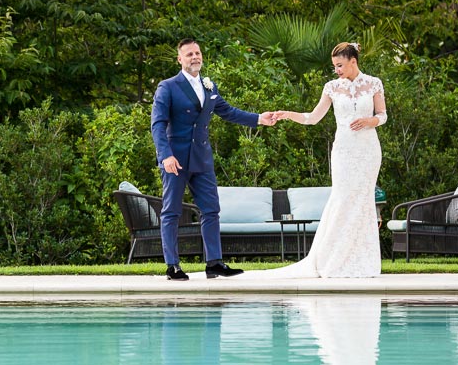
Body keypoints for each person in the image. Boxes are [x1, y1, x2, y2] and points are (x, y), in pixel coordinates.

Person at [251, 42, 387, 279]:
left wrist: (370, 122)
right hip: (344, 150)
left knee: (363, 201)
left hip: (368, 150)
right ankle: (332, 259)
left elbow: (383, 115)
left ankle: (362, 261)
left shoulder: (373, 83)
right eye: (335, 66)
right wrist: (287, 115)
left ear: (353, 61)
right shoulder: (332, 87)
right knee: (343, 198)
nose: (337, 70)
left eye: (340, 65)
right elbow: (312, 118)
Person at [151, 38, 277, 280]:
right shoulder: (167, 87)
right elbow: (158, 124)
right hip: (175, 160)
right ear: (180, 59)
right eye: (189, 54)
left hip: (202, 159)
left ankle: (214, 263)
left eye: (197, 52)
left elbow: (228, 112)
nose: (195, 57)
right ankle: (173, 266)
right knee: (172, 212)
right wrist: (165, 155)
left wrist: (260, 118)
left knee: (211, 210)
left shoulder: (210, 86)